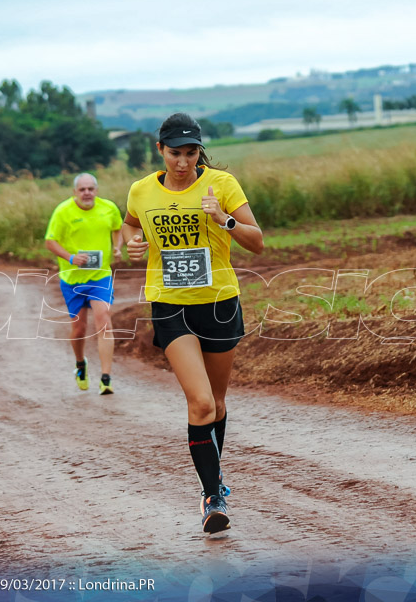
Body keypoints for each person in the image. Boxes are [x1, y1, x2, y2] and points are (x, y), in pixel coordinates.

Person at [122, 112, 264, 534]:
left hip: (219, 302)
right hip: (170, 304)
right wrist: (129, 244)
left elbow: (257, 241)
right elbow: (129, 226)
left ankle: (214, 477)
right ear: (159, 149)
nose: (183, 162)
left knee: (217, 404)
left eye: (190, 153)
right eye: (174, 153)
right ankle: (212, 496)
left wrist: (225, 219)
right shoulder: (141, 190)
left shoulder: (222, 185)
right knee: (200, 402)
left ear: (199, 151)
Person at [44, 173, 123, 394]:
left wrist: (117, 247)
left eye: (90, 188)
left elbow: (117, 228)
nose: (87, 193)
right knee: (79, 329)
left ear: (96, 190)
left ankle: (106, 378)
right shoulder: (63, 211)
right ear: (75, 192)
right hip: (72, 279)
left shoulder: (109, 208)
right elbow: (50, 241)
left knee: (103, 320)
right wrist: (70, 258)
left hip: (100, 276)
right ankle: (80, 364)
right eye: (82, 189)